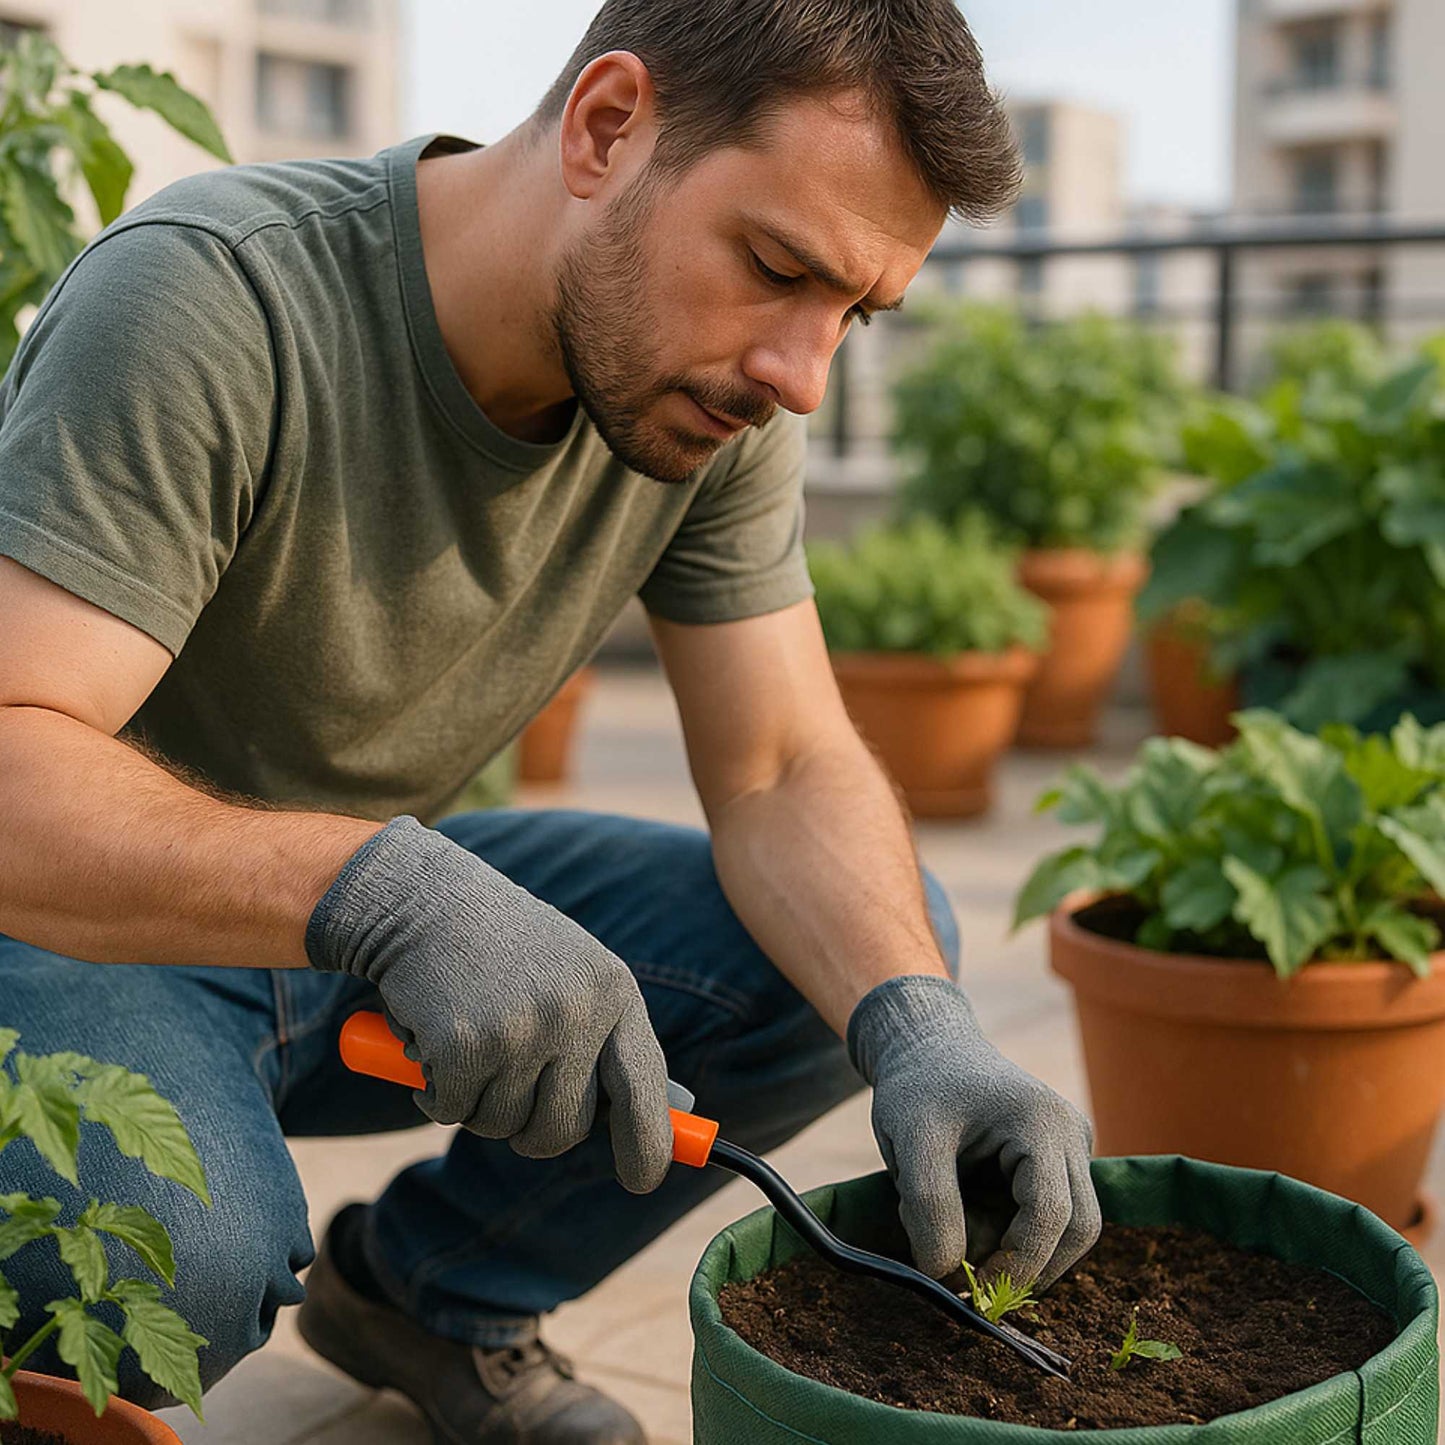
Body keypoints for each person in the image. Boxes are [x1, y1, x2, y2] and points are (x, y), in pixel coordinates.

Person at [0, 1, 1100, 1439]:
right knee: (178, 1260)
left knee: (864, 953)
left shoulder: (704, 398)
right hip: (68, 934)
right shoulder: (219, 297)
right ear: (604, 127)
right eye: (777, 267)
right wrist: (381, 889)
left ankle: (429, 1290)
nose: (800, 373)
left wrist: (926, 1027)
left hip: (343, 946)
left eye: (852, 313)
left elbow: (779, 765)